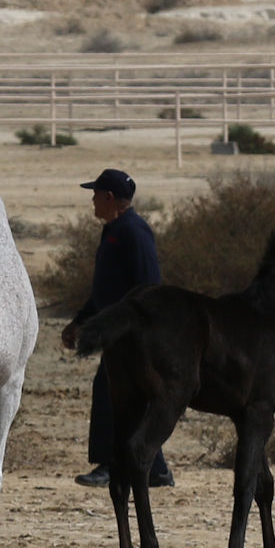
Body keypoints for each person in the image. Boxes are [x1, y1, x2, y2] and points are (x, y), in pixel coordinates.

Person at [67, 167, 172, 489]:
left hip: (132, 334)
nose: (93, 201)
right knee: (132, 399)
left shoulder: (134, 231)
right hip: (116, 331)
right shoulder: (113, 230)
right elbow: (104, 289)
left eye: (96, 195)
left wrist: (140, 331)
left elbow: (149, 285)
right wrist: (80, 321)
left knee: (111, 394)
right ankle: (155, 469)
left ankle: (112, 466)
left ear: (109, 197)